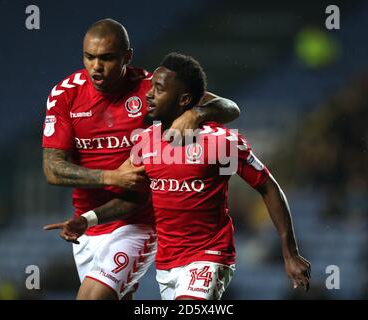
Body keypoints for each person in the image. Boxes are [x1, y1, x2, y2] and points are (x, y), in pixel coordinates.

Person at [45, 52, 311, 300]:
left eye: (158, 89)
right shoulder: (146, 142)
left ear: (184, 100)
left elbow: (268, 187)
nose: (148, 95)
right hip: (168, 263)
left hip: (209, 256)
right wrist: (87, 219)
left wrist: (290, 253)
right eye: (151, 87)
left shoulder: (220, 142)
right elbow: (134, 200)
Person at [41, 18, 240, 300]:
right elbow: (52, 170)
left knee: (91, 298)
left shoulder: (152, 88)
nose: (96, 66)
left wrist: (197, 114)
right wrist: (111, 176)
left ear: (127, 57)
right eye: (90, 57)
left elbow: (230, 107)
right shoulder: (65, 95)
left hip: (138, 220)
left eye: (107, 58)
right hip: (89, 224)